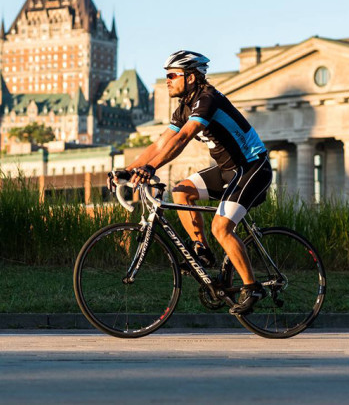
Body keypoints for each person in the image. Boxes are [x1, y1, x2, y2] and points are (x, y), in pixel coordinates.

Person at [115, 50, 273, 316]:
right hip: (227, 170)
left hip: (252, 168)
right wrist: (126, 170)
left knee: (221, 228)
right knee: (181, 192)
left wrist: (151, 167)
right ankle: (202, 252)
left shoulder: (208, 100)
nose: (167, 81)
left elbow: (183, 138)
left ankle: (252, 287)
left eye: (172, 75)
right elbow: (161, 142)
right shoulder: (184, 107)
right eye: (166, 76)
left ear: (191, 78)